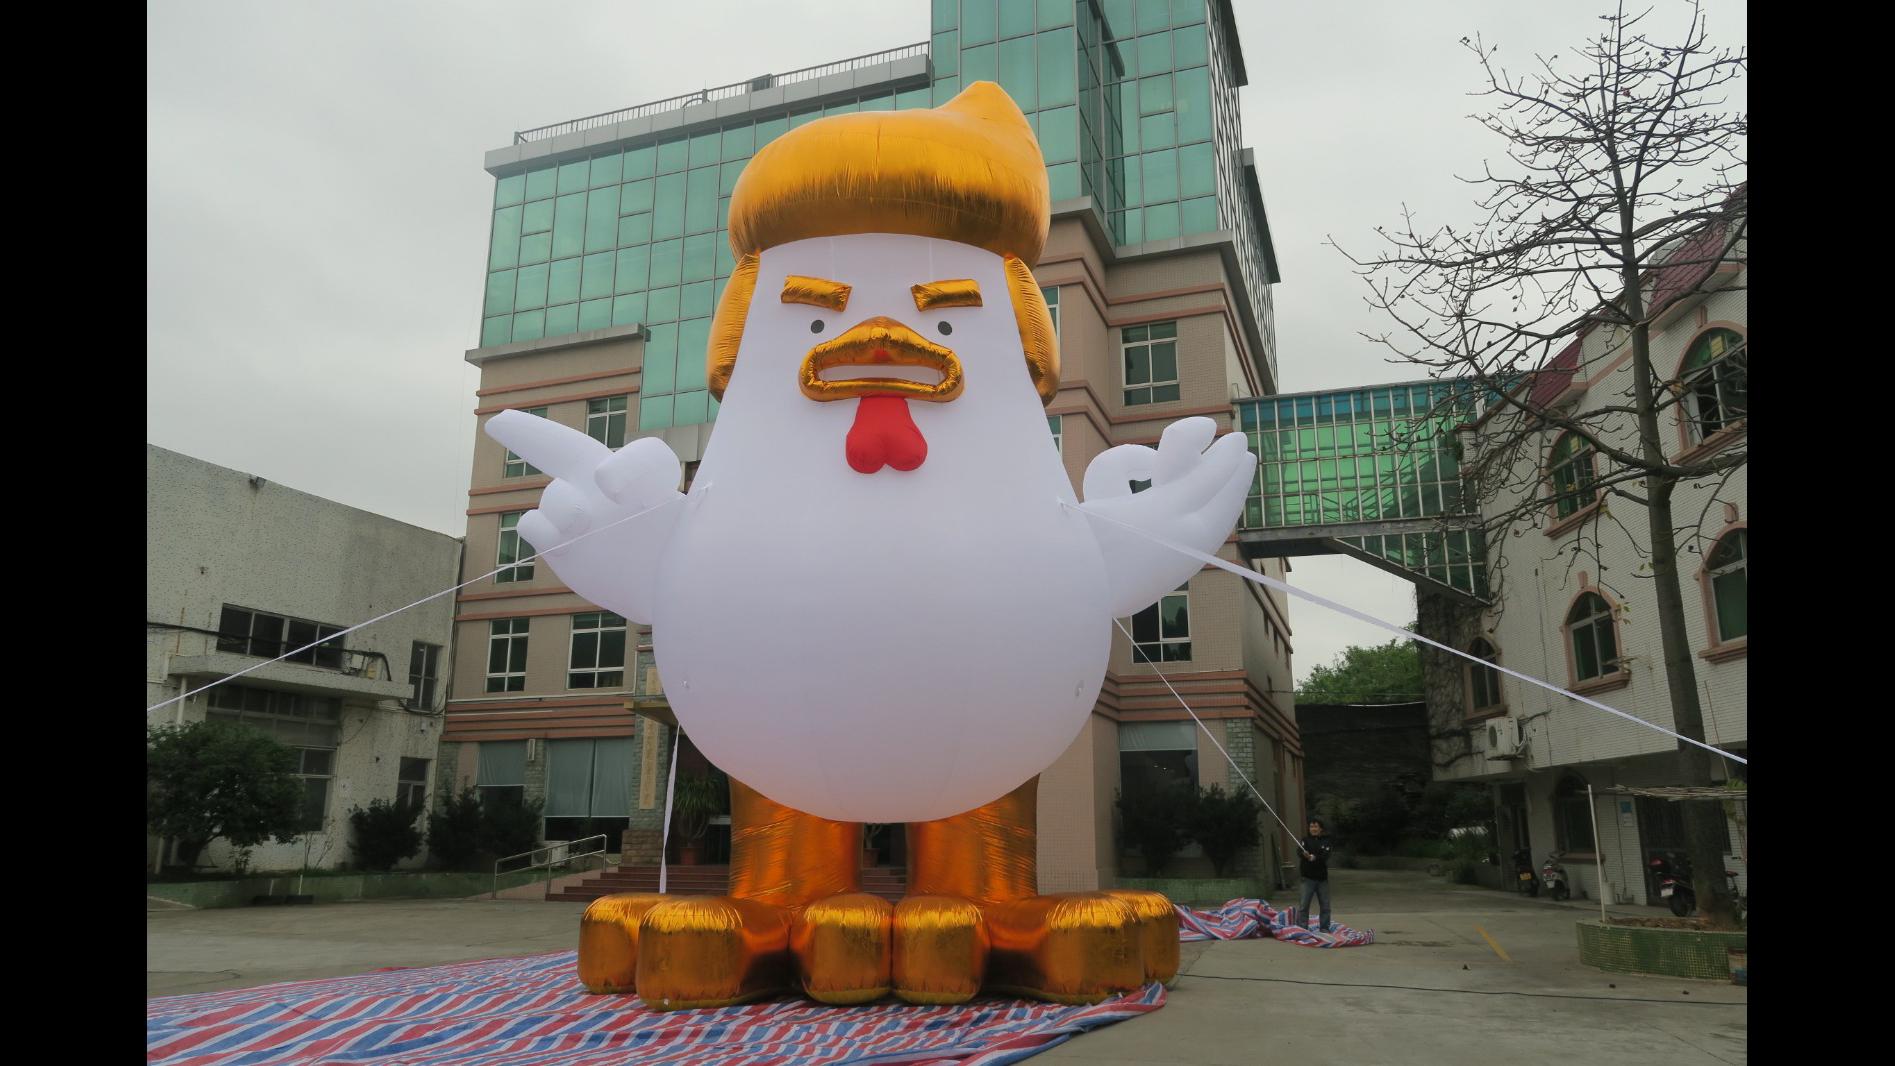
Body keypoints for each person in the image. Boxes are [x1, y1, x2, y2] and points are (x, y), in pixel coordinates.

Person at [1296, 817, 1336, 933]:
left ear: (1320, 829)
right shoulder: (1305, 840)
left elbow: (1325, 855)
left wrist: (1314, 857)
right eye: (1311, 827)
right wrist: (1305, 855)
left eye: (1315, 827)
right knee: (1303, 906)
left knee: (1325, 906)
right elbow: (1299, 852)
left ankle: (1324, 928)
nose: (1313, 829)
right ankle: (1303, 928)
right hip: (1307, 878)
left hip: (1322, 879)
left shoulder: (1326, 841)